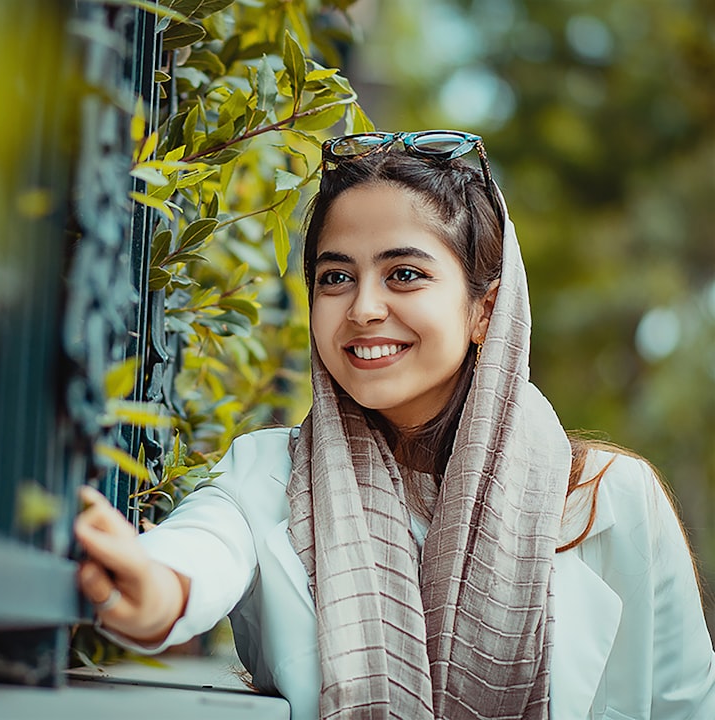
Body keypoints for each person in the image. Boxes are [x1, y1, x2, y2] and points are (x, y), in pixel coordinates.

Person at [74, 130, 715, 720]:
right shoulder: (269, 476)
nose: (364, 307)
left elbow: (685, 705)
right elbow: (200, 553)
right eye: (335, 277)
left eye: (404, 274)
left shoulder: (609, 498)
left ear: (484, 311)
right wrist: (154, 590)